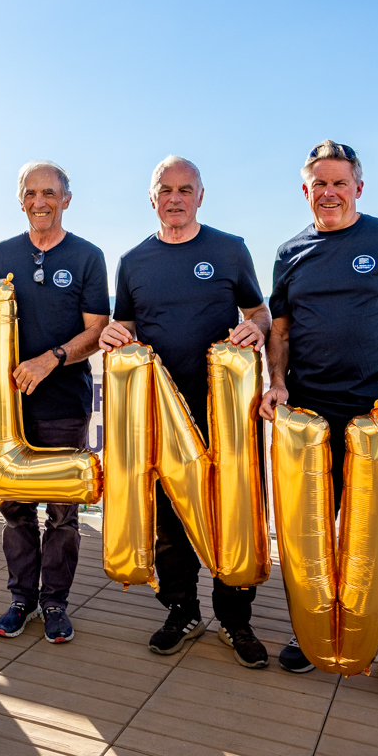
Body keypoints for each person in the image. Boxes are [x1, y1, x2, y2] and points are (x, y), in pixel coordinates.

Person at [259, 140, 378, 707]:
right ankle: (315, 630)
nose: (330, 192)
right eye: (320, 183)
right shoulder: (291, 252)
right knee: (310, 534)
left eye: (340, 182)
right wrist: (278, 383)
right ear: (306, 190)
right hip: (310, 421)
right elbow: (281, 333)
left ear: (358, 188)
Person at [98, 156, 272, 668]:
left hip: (225, 412)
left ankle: (235, 621)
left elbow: (257, 311)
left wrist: (257, 330)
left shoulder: (229, 249)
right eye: (165, 189)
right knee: (169, 519)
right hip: (158, 415)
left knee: (233, 510)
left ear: (201, 195)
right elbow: (123, 326)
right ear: (152, 198)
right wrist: (112, 334)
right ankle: (182, 610)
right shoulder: (132, 261)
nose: (175, 198)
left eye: (185, 189)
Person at [0, 160, 109, 644]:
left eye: (49, 193)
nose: (39, 202)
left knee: (63, 513)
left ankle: (56, 603)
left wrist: (51, 359)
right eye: (30, 193)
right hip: (6, 408)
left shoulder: (88, 256)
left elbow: (98, 331)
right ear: (19, 199)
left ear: (66, 199)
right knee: (14, 508)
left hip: (65, 401)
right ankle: (21, 598)